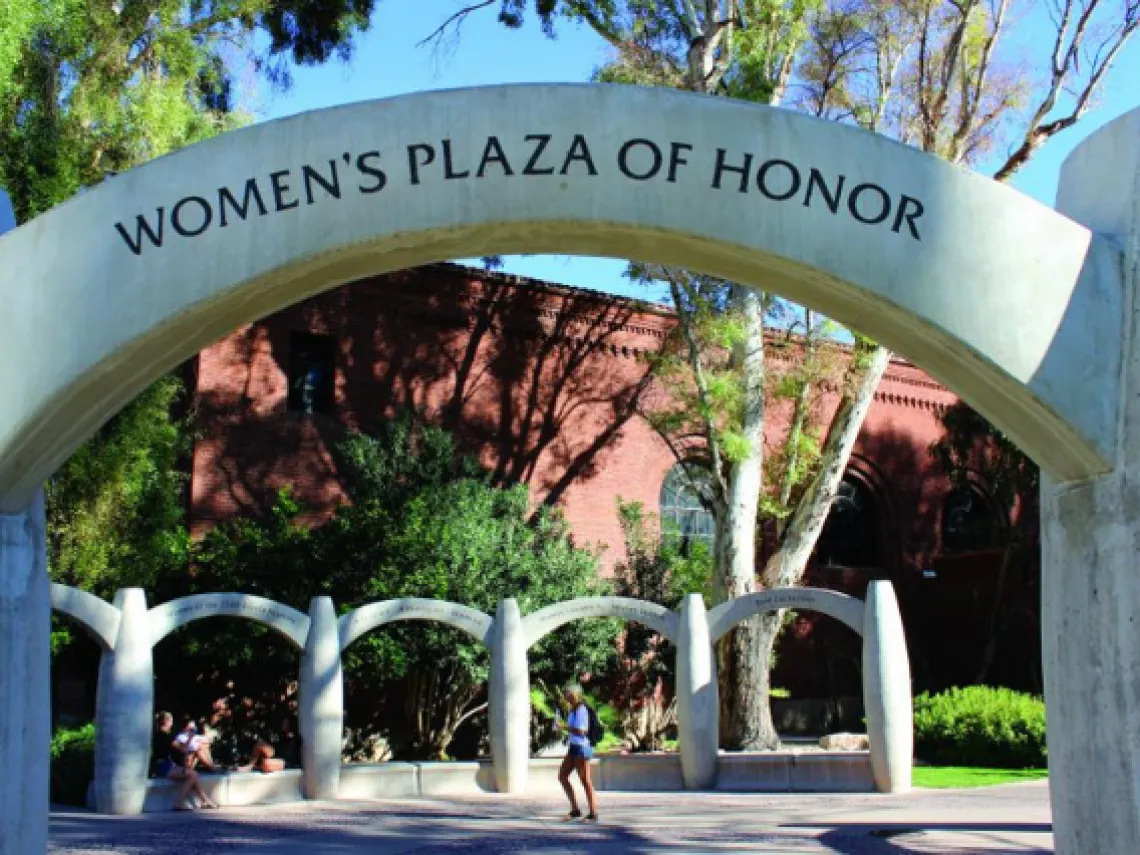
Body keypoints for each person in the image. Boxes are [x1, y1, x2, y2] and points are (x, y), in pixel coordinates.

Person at [151, 711, 218, 810]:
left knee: (193, 775)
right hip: (164, 766)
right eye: (171, 721)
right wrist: (190, 737)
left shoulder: (160, 735)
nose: (172, 724)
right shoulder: (165, 736)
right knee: (193, 775)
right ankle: (179, 802)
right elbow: (183, 749)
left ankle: (205, 800)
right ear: (167, 721)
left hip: (165, 765)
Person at [555, 683, 599, 822]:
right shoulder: (573, 709)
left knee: (585, 780)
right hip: (573, 747)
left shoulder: (582, 710)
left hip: (581, 748)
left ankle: (593, 813)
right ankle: (575, 810)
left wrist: (564, 727)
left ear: (574, 694)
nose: (565, 695)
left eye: (567, 693)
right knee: (562, 776)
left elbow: (582, 730)